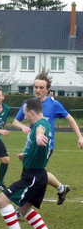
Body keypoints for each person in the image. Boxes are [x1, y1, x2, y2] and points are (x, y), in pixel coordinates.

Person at [13, 70, 83, 205]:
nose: (37, 90)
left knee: (33, 174)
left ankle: (23, 206)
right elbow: (15, 121)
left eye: (41, 87)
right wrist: (22, 127)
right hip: (32, 145)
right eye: (36, 87)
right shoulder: (28, 103)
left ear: (47, 89)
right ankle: (61, 188)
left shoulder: (54, 104)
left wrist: (80, 137)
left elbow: (70, 119)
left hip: (46, 146)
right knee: (37, 173)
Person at [0, 98, 57, 229]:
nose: (24, 117)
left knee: (2, 200)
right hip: (37, 175)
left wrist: (38, 136)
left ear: (31, 112)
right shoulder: (39, 123)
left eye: (25, 114)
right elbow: (37, 146)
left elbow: (40, 131)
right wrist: (27, 154)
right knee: (25, 208)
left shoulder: (41, 124)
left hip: (33, 177)